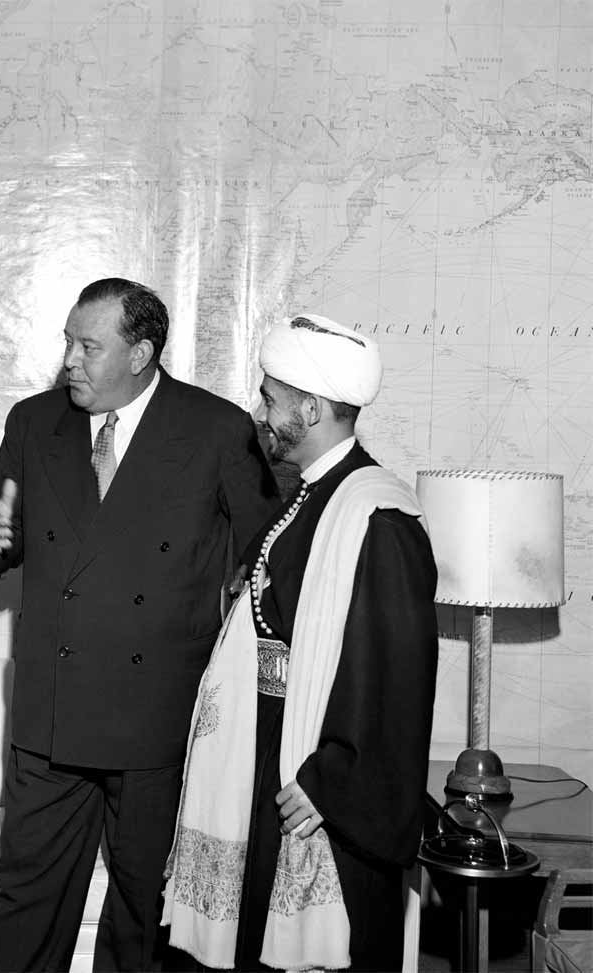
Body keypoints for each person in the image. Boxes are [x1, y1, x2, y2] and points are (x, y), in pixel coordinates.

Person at [0, 277, 281, 972]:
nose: (69, 361)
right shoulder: (33, 422)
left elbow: (271, 554)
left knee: (144, 911)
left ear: (140, 354)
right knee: (24, 900)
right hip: (51, 717)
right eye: (68, 343)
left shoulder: (217, 430)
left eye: (88, 346)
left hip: (159, 719)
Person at [162, 313, 439, 972]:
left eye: (270, 398)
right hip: (269, 758)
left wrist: (330, 779)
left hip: (318, 788)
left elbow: (395, 677)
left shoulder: (378, 516)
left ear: (311, 409)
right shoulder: (307, 498)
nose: (259, 412)